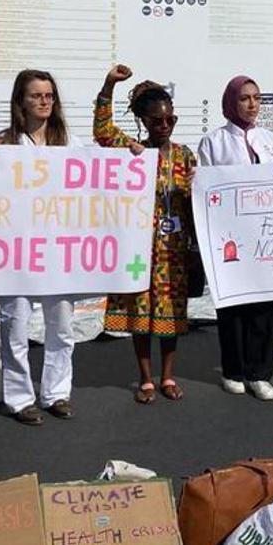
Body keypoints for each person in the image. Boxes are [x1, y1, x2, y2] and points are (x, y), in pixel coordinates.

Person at [0, 70, 81, 423]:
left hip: (57, 248)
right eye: (36, 95)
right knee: (16, 325)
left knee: (62, 325)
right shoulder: (5, 143)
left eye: (49, 95)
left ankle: (56, 393)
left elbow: (95, 179)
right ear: (21, 100)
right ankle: (20, 398)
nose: (44, 101)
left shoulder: (68, 140)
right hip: (18, 250)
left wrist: (132, 157)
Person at [94, 64, 195, 403]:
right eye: (156, 121)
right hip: (139, 248)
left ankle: (168, 377)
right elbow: (103, 130)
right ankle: (146, 379)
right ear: (144, 122)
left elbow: (201, 201)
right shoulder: (133, 154)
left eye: (169, 120)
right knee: (141, 313)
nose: (164, 126)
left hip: (174, 250)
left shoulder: (185, 155)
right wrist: (109, 85)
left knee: (171, 315)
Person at [197, 76, 273, 400]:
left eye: (257, 98)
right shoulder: (214, 141)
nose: (252, 104)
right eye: (244, 98)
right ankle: (233, 369)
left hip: (266, 234)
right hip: (230, 235)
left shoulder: (268, 139)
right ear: (231, 102)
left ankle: (260, 372)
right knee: (233, 305)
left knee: (265, 304)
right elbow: (206, 188)